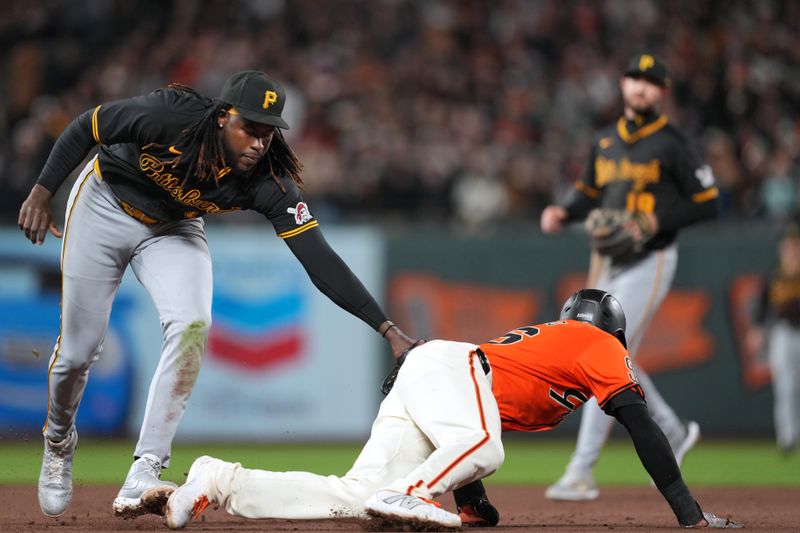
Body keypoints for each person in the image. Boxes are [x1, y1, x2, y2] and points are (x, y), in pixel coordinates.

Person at [18, 70, 418, 519]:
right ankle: (58, 439)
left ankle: (146, 468)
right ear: (224, 116)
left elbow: (318, 257)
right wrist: (42, 189)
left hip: (173, 227)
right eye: (251, 127)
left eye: (269, 132)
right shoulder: (169, 116)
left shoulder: (269, 180)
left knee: (193, 323)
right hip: (104, 203)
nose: (259, 143)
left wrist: (387, 328)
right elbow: (88, 125)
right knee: (78, 351)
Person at [162, 289, 742, 530]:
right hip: (452, 368)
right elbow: (641, 423)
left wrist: (473, 502)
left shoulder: (553, 343)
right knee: (487, 448)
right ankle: (413, 494)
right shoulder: (597, 346)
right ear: (612, 332)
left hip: (438, 377)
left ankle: (218, 478)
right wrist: (688, 513)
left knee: (354, 498)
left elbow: (472, 415)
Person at [539, 53, 719, 501]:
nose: (640, 87)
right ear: (622, 85)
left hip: (651, 258)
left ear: (662, 92)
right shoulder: (605, 143)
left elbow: (708, 201)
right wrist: (564, 209)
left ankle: (581, 471)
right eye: (634, 79)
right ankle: (674, 431)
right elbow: (587, 194)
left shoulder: (674, 143)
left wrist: (658, 220)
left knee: (599, 352)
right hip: (608, 260)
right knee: (618, 356)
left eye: (650, 82)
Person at [748, 221, 800, 455]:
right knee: (785, 386)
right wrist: (757, 330)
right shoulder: (774, 276)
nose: (791, 250)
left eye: (795, 245)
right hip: (782, 333)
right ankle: (787, 438)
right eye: (788, 246)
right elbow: (762, 309)